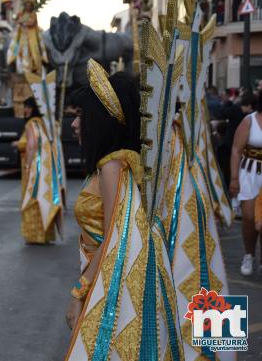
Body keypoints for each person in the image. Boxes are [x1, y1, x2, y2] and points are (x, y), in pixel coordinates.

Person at [64, 62, 181, 358]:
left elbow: (117, 237)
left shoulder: (112, 167)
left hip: (110, 283)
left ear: (101, 121)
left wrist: (79, 293)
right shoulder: (119, 164)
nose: (75, 124)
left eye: (81, 116)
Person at [14, 97, 62, 243]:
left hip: (34, 166)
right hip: (47, 168)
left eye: (28, 107)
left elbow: (32, 145)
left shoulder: (31, 124)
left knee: (31, 198)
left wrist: (27, 167)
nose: (25, 110)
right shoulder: (46, 124)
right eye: (25, 107)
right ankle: (45, 234)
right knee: (43, 198)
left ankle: (34, 235)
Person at [230, 93, 262, 275]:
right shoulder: (249, 121)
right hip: (249, 174)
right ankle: (249, 255)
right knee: (249, 218)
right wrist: (234, 179)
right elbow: (236, 150)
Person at [6, 0, 48, 74]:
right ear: (25, 6)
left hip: (32, 37)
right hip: (22, 37)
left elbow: (32, 23)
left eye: (30, 5)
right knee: (17, 51)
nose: (28, 7)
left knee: (35, 51)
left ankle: (36, 67)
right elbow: (17, 21)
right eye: (27, 5)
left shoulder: (33, 15)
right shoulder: (21, 14)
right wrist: (19, 20)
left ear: (32, 7)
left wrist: (23, 22)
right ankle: (19, 69)